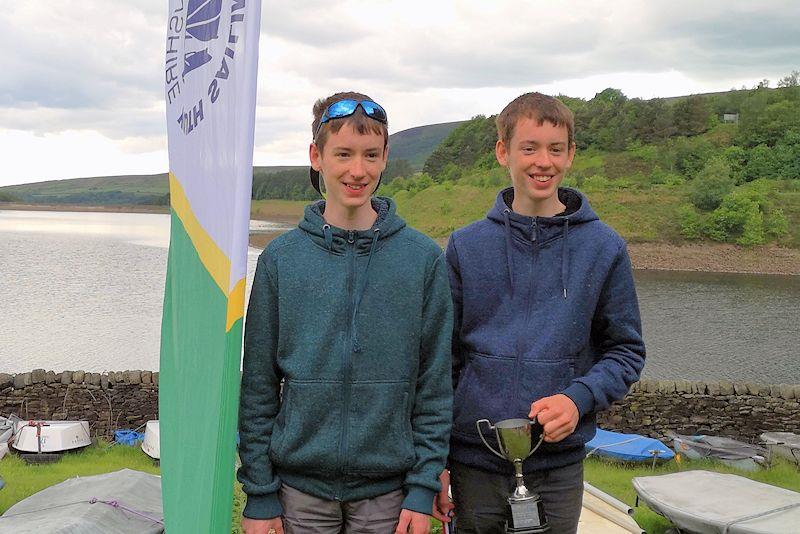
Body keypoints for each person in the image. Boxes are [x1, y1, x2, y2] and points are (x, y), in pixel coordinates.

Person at [238, 91, 453, 534]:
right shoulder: (281, 259)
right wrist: (259, 494)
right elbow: (258, 384)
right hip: (298, 494)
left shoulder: (423, 259)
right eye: (344, 154)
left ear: (385, 158)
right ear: (317, 156)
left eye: (371, 155)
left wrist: (422, 484)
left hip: (389, 495)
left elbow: (434, 384)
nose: (358, 170)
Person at [439, 92, 646, 533]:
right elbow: (440, 361)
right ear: (503, 152)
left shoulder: (603, 247)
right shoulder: (465, 246)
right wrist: (434, 461)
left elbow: (626, 351)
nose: (542, 162)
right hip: (473, 462)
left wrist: (578, 398)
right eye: (529, 148)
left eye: (555, 149)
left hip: (558, 464)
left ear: (570, 155)